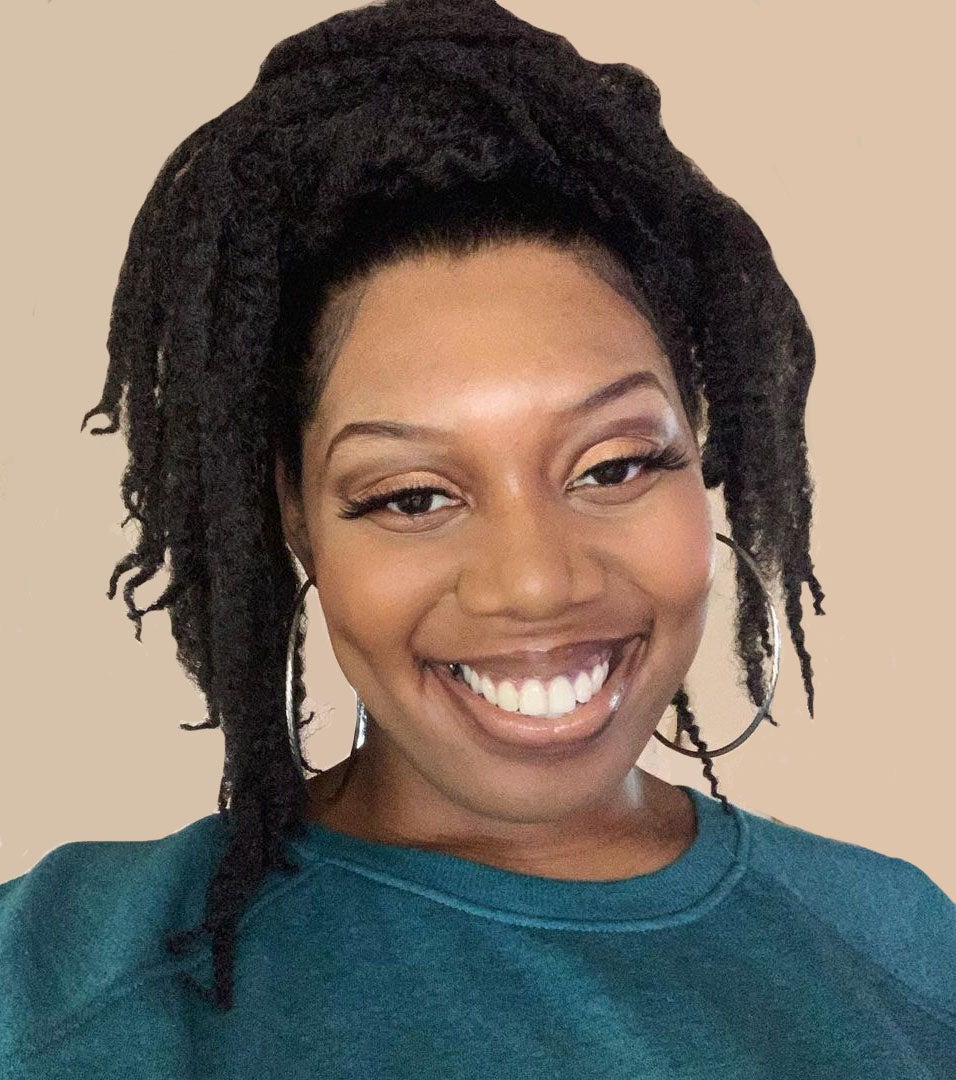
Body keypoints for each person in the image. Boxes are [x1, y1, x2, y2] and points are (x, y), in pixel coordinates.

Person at [1, 0, 953, 1076]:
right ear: (294, 514)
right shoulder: (58, 983)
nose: (535, 581)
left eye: (613, 465)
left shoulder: (907, 953)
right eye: (413, 497)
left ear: (700, 441)